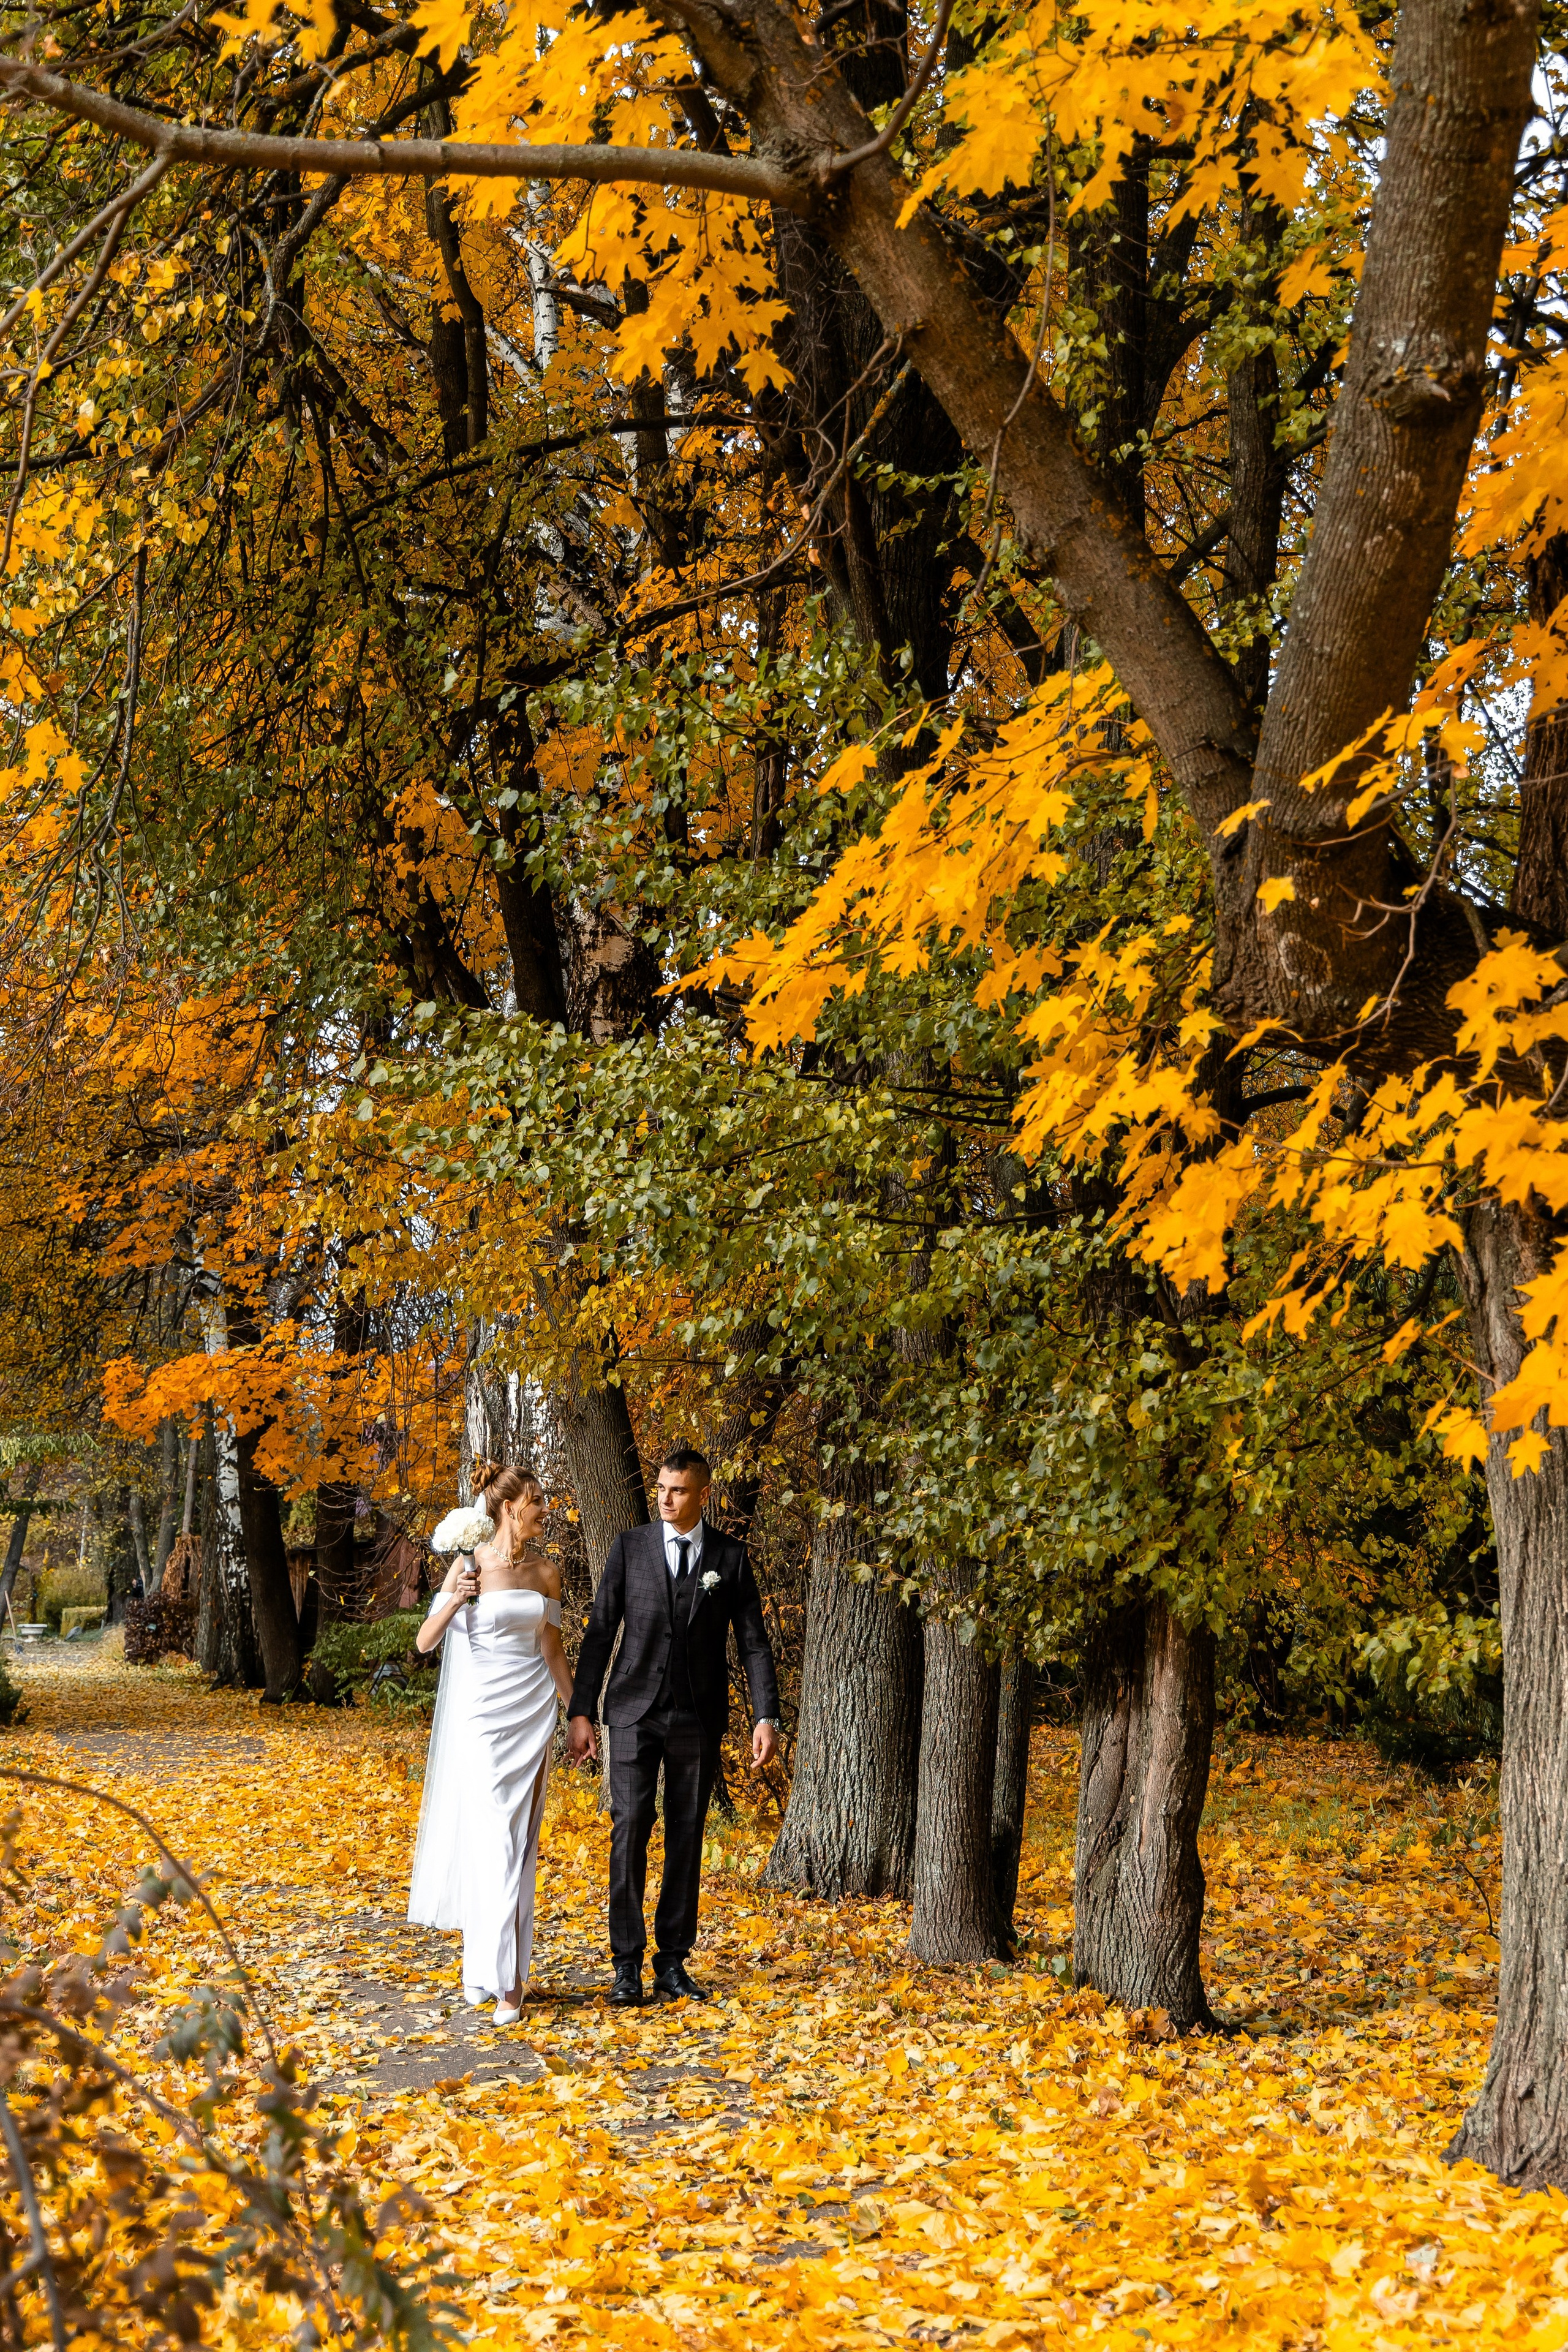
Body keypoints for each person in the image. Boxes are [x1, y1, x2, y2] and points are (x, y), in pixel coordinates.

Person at [566, 1447, 782, 2007]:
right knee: (630, 1825)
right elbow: (599, 1631)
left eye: (679, 1490)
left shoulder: (730, 1558)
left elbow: (753, 1642)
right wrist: (581, 1711)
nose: (665, 1498)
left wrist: (765, 1714)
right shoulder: (629, 1548)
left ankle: (673, 1962)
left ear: (702, 1494)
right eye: (662, 1488)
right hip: (633, 1711)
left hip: (697, 1716)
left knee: (687, 1833)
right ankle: (626, 1964)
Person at [407, 1465, 575, 2025]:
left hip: (531, 1715)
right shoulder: (468, 1564)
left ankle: (505, 1978)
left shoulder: (547, 1573)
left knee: (518, 1846)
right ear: (507, 1508)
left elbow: (552, 1652)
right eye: (535, 1501)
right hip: (481, 1718)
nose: (543, 1510)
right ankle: (492, 1972)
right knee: (492, 1843)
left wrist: (578, 1715)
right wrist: (456, 1598)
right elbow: (425, 1641)